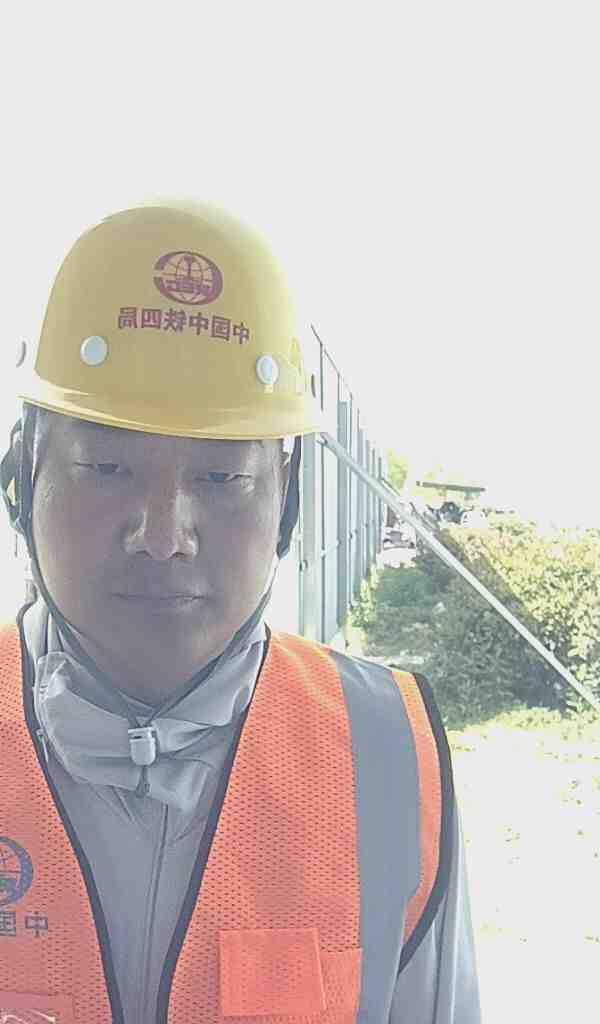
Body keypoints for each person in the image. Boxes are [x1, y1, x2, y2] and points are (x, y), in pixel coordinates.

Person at [0, 202, 481, 1023]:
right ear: (25, 477)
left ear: (284, 499)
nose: (163, 536)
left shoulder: (389, 753)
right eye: (108, 467)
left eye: (221, 478)